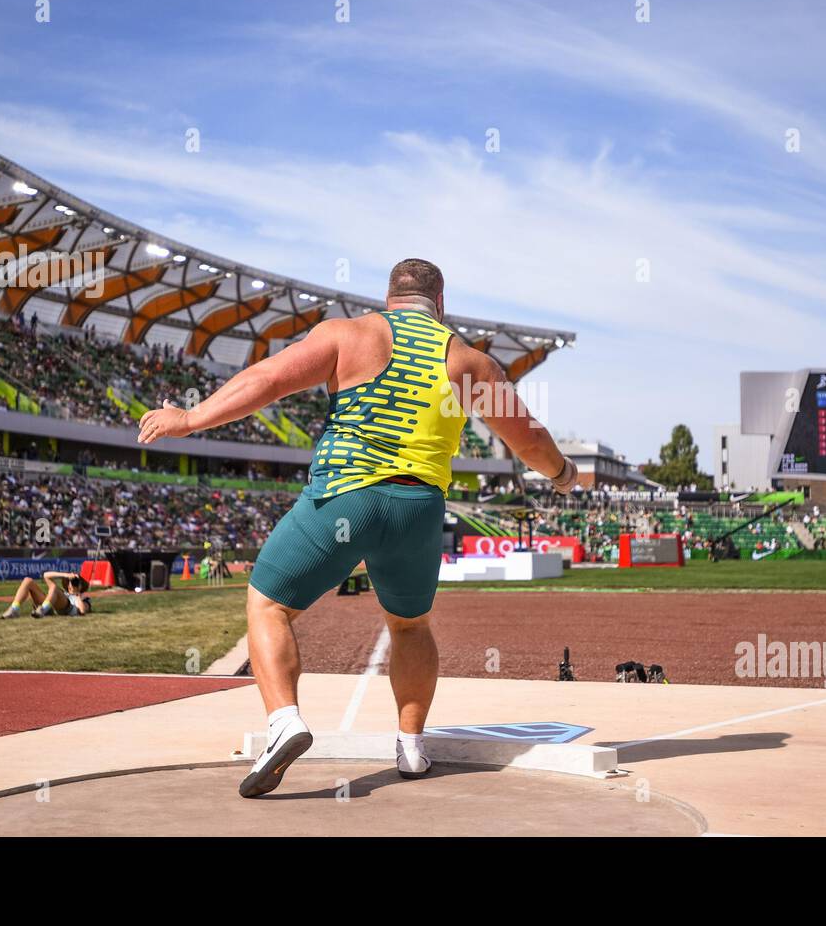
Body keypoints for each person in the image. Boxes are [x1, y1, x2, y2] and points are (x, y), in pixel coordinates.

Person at [138, 259, 578, 798]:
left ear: (389, 297)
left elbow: (267, 380)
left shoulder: (349, 335)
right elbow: (528, 439)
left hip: (348, 499)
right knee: (411, 626)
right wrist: (562, 473)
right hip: (419, 510)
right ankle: (412, 747)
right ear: (440, 305)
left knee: (268, 604)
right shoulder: (469, 362)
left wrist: (189, 418)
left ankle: (286, 723)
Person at [0, 570, 92, 618]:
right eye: (71, 582)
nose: (73, 584)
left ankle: (42, 609)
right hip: (50, 606)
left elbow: (83, 611)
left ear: (81, 585)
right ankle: (14, 609)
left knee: (54, 588)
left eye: (76, 582)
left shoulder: (84, 598)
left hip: (66, 608)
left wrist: (77, 594)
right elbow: (45, 575)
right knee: (28, 581)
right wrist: (66, 575)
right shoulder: (64, 592)